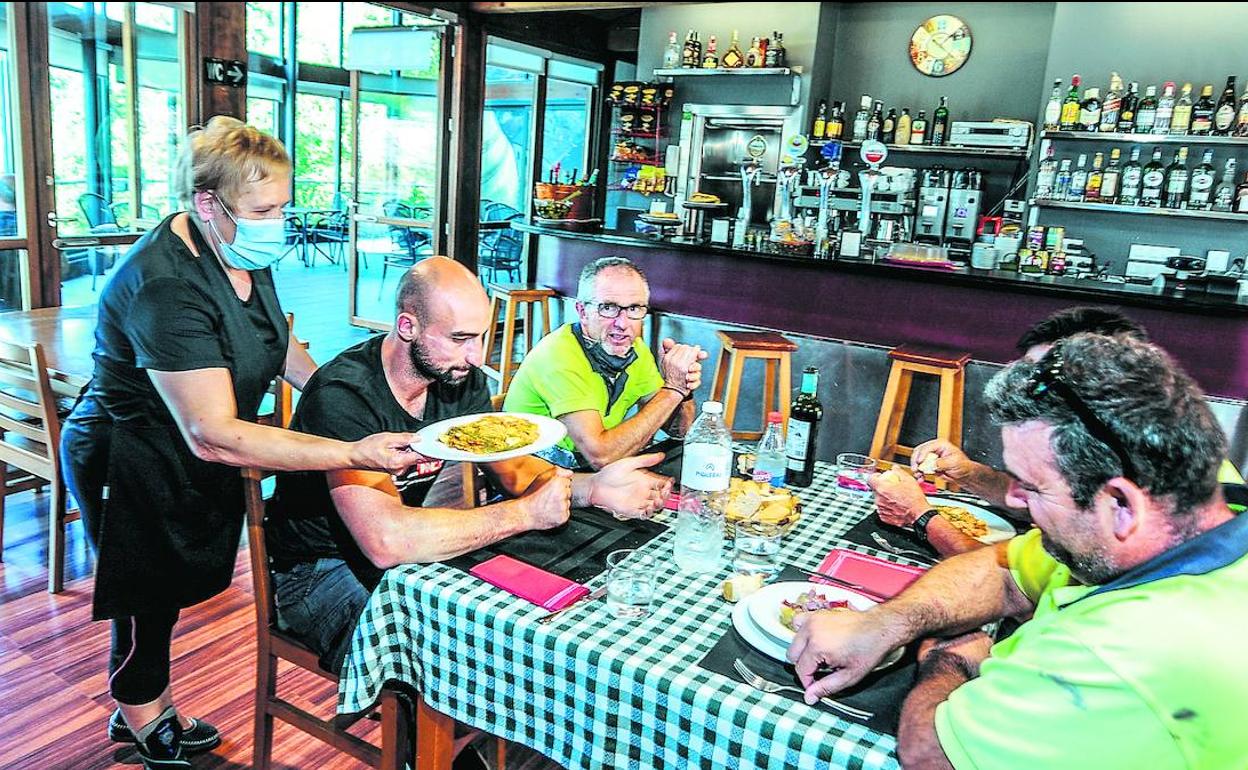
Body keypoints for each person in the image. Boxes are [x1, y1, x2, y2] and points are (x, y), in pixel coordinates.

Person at [59, 117, 421, 770]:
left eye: (284, 206)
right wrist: (353, 450)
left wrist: (338, 400)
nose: (278, 223)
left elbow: (277, 344)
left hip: (186, 455)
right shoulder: (166, 285)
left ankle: (142, 701)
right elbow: (217, 435)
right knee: (145, 599)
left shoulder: (236, 250)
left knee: (164, 596)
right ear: (208, 204)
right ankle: (141, 712)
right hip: (130, 456)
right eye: (265, 209)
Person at [790, 334, 1248, 769]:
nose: (1011, 499)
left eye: (1032, 488)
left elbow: (932, 753)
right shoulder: (1196, 500)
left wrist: (948, 661)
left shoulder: (1119, 650)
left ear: (1121, 505)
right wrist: (882, 623)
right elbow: (1006, 570)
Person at [265, 257, 672, 682]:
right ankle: (435, 746)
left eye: (480, 338)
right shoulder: (345, 395)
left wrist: (594, 489)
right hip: (318, 574)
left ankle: (476, 743)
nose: (476, 358)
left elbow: (512, 471)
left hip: (400, 558)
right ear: (408, 327)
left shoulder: (459, 376)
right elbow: (388, 541)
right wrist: (525, 514)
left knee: (529, 630)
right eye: (460, 339)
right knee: (461, 658)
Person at [870, 307, 1149, 557]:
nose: (1024, 389)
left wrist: (920, 516)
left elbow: (1002, 580)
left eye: (1039, 382)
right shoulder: (1096, 462)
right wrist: (969, 473)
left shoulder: (1118, 506)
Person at [503, 257, 705, 469]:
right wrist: (671, 390)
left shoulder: (635, 350)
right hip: (528, 475)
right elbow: (601, 456)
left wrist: (683, 388)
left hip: (581, 471)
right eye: (608, 308)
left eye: (634, 309)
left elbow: (680, 431)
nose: (622, 324)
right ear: (582, 311)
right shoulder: (559, 357)